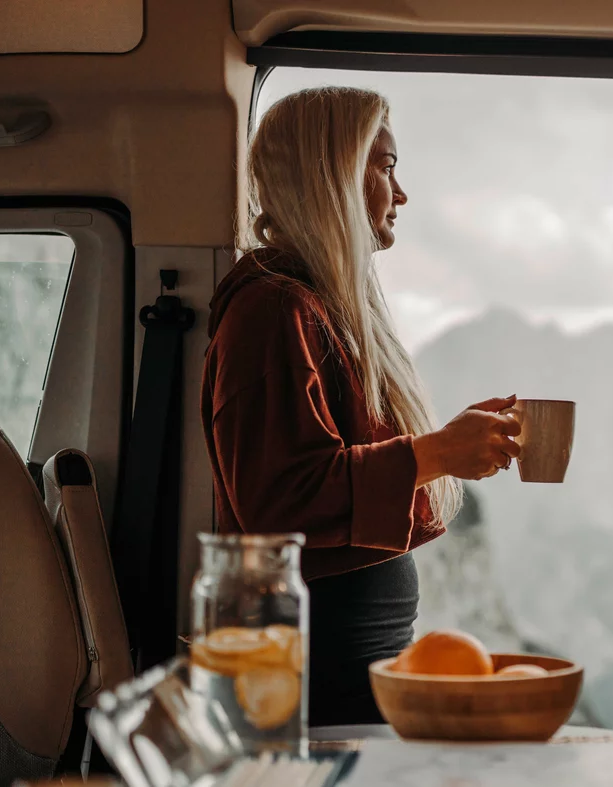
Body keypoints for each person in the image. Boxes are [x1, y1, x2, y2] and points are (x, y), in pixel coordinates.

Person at [201, 86, 521, 725]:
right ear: (334, 176)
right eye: (387, 166)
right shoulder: (273, 310)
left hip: (348, 657)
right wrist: (437, 451)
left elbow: (329, 464)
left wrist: (446, 446)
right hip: (317, 669)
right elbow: (278, 496)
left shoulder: (314, 306)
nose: (401, 193)